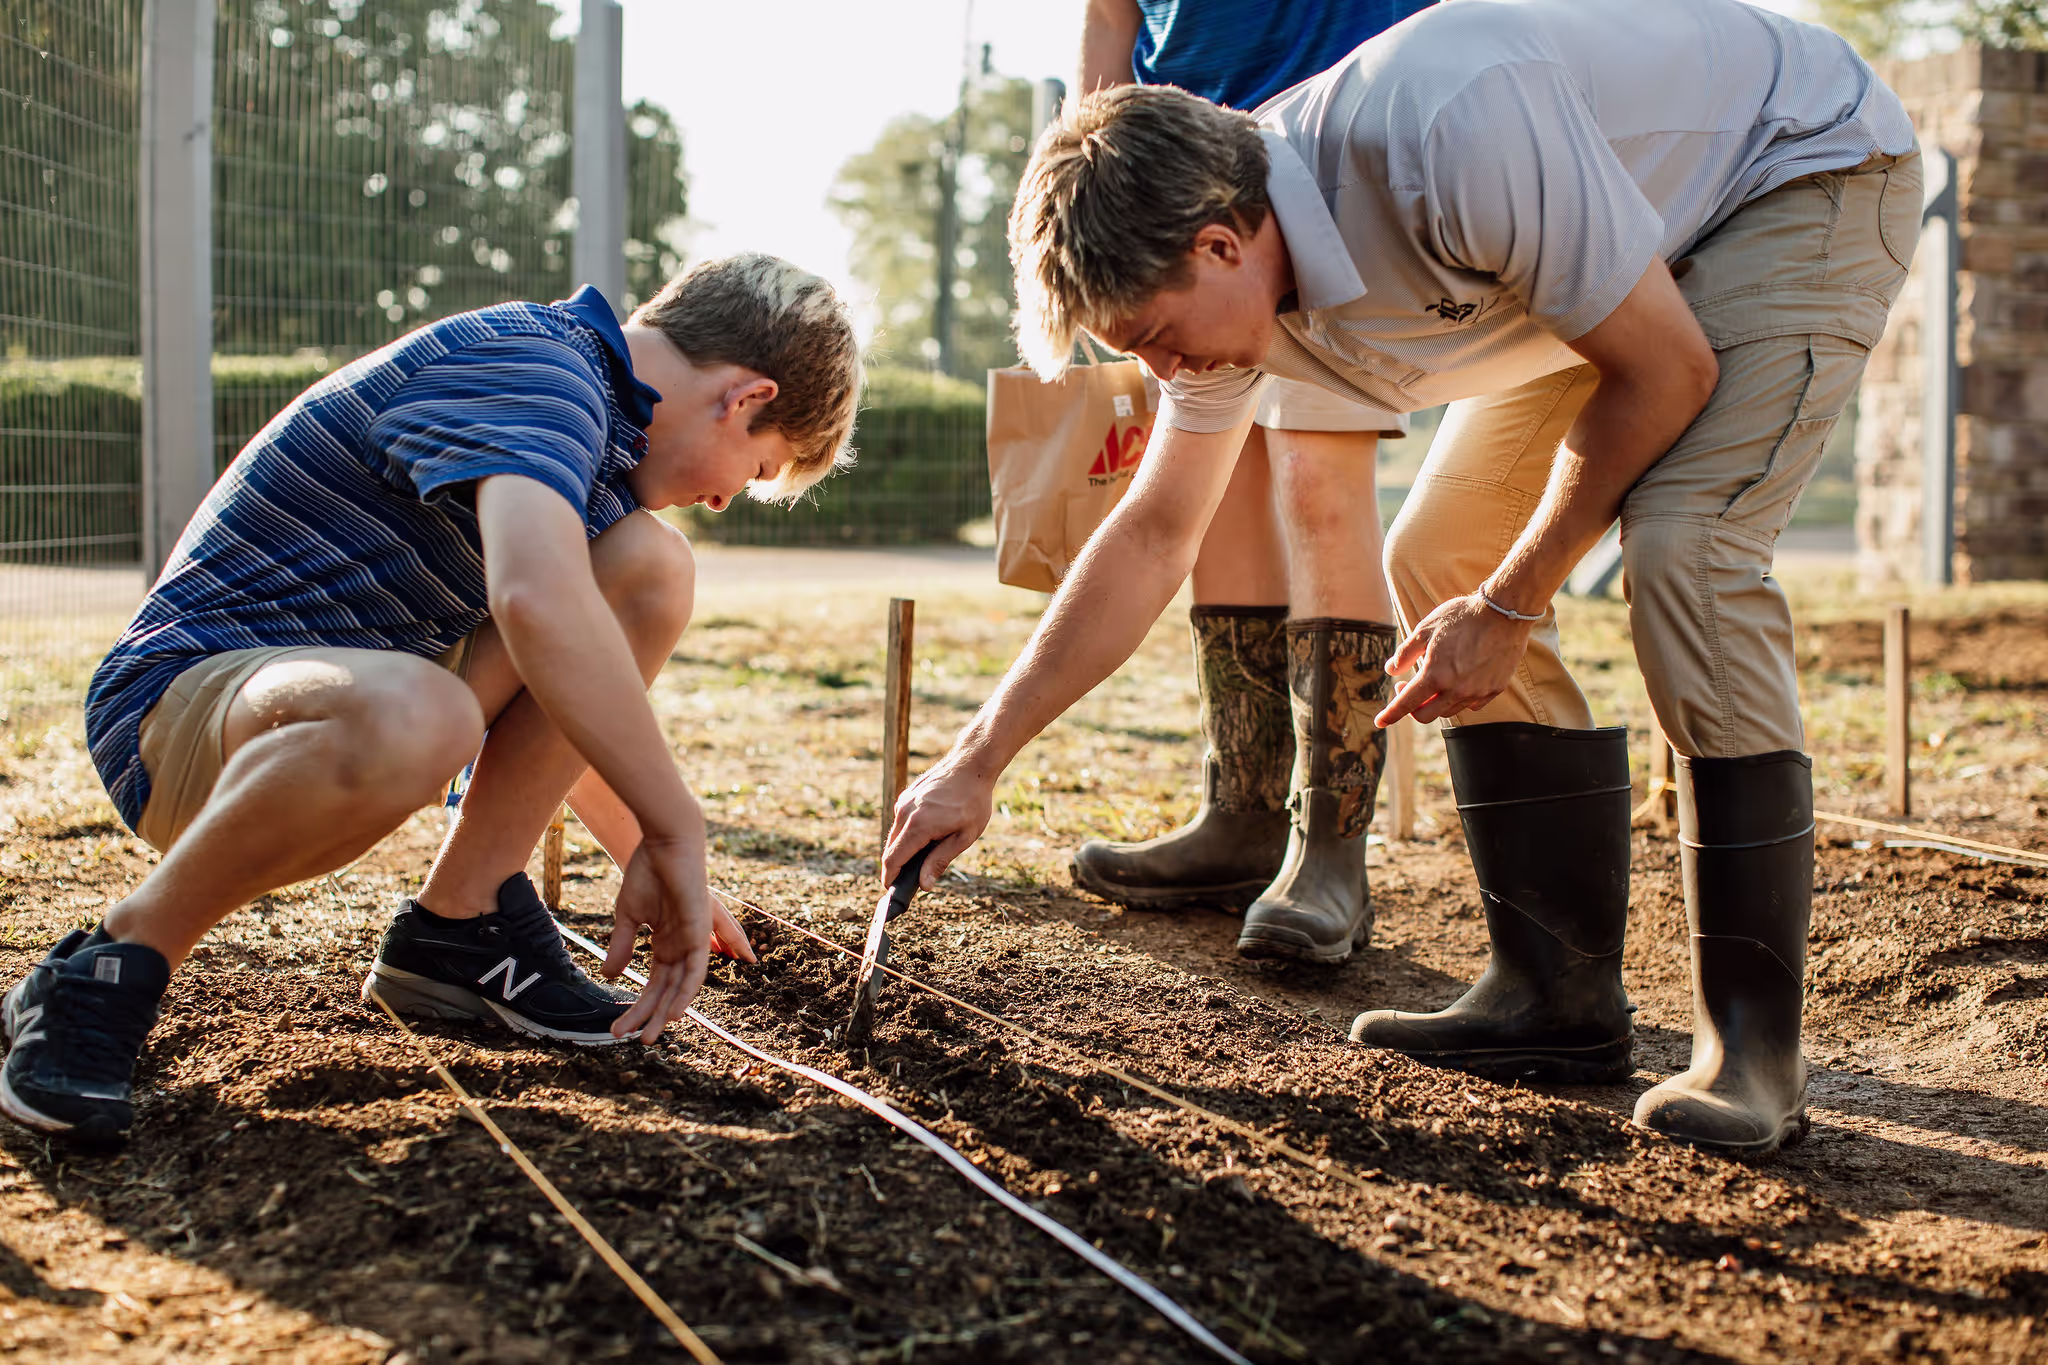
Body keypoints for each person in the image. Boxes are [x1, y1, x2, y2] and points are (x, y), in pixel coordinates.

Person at [889, 0, 1917, 1155]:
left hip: (1788, 173)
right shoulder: (1226, 286)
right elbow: (1153, 534)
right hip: (1614, 232)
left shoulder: (1446, 127)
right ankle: (1555, 996)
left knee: (1684, 554)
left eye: (1155, 336)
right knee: (1437, 556)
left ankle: (1752, 1054)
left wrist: (1513, 604)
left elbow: (1664, 370)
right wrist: (975, 760)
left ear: (1219, 246)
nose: (1162, 370)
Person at [1, 255, 864, 1148]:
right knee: (430, 709)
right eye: (755, 467)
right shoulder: (543, 368)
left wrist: (647, 849)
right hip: (181, 705)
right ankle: (101, 968)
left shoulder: (593, 422)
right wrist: (678, 828)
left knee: (647, 566)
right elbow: (534, 601)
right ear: (745, 397)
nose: (722, 499)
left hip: (343, 698)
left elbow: (559, 664)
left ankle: (462, 927)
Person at [1068, 0, 1434, 967]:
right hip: (1167, 199)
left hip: (1322, 169)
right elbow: (1109, 13)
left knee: (1317, 478)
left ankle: (1330, 849)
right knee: (1218, 494)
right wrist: (1090, 194)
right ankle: (1243, 812)